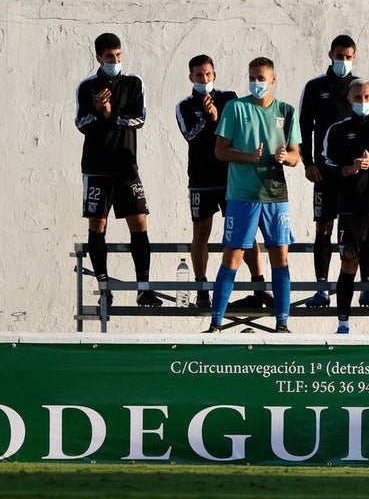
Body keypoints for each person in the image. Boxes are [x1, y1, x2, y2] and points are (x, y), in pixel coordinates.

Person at [205, 57, 301, 333]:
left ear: (273, 80)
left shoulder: (286, 111)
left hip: (275, 196)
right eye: (253, 77)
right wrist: (247, 156)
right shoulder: (236, 108)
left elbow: (296, 156)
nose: (257, 83)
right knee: (232, 257)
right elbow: (220, 150)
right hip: (242, 195)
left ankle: (282, 323)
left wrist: (287, 157)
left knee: (280, 258)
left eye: (262, 78)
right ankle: (216, 324)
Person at [175, 54, 269, 310]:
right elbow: (189, 135)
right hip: (201, 179)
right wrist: (207, 117)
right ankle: (202, 287)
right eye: (198, 75)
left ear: (214, 74)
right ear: (190, 77)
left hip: (231, 178)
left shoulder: (229, 99)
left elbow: (238, 130)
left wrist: (217, 116)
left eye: (207, 74)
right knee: (201, 233)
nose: (203, 79)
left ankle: (258, 284)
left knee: (245, 231)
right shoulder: (184, 105)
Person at [74, 32, 159, 308]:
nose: (115, 60)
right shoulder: (87, 87)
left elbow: (141, 118)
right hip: (97, 168)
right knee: (97, 225)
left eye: (119, 55)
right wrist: (99, 110)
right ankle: (104, 287)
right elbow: (81, 123)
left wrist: (112, 116)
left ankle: (143, 288)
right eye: (110, 56)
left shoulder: (134, 83)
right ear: (99, 57)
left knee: (140, 222)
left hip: (126, 167)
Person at [322, 78, 369, 335]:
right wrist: (349, 169)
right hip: (350, 209)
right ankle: (342, 324)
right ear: (349, 99)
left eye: (367, 97)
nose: (363, 102)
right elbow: (327, 167)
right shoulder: (337, 130)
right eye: (357, 98)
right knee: (348, 265)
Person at [299, 35, 361, 308]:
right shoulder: (315, 87)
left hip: (355, 174)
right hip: (324, 172)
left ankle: (364, 288)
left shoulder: (361, 88)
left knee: (358, 228)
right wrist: (308, 163)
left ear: (354, 56)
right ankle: (322, 289)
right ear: (330, 54)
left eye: (348, 57)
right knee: (323, 228)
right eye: (339, 56)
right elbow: (303, 127)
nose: (343, 61)